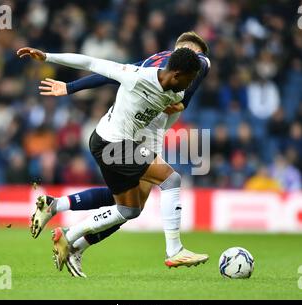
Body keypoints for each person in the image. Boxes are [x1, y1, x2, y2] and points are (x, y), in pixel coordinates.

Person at [22, 32, 210, 278]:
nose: (191, 84)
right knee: (171, 179)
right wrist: (48, 58)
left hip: (122, 142)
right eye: (190, 76)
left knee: (128, 209)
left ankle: (68, 234)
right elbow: (91, 63)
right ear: (176, 68)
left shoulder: (176, 90)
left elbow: (186, 89)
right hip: (110, 144)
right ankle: (174, 250)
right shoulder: (138, 75)